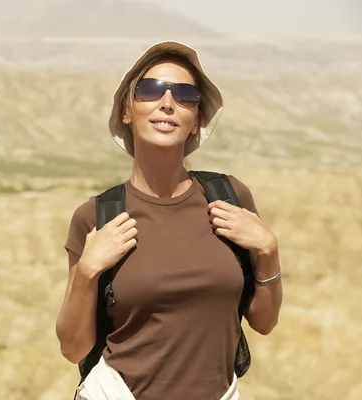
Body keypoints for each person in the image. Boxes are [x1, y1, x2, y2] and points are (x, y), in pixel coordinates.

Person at [55, 41, 283, 400]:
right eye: (149, 90)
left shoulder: (229, 198)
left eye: (185, 95)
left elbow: (264, 323)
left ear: (197, 120)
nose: (167, 103)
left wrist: (268, 249)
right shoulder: (97, 216)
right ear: (127, 112)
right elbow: (72, 348)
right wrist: (86, 272)